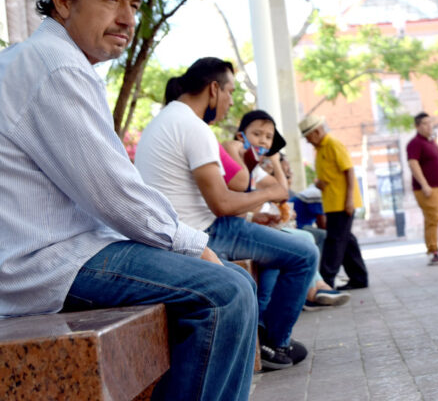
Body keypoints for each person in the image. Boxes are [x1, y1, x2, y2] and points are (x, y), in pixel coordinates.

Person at [0, 0, 258, 401]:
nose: (128, 18)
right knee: (226, 292)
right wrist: (193, 246)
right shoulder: (55, 66)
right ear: (63, 1)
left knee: (234, 283)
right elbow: (112, 191)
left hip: (58, 254)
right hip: (46, 263)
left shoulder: (42, 61)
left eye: (135, 3)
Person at [134, 58, 318, 371]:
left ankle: (267, 336)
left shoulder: (165, 120)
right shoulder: (193, 126)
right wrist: (271, 193)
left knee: (285, 247)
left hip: (186, 228)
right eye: (230, 92)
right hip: (205, 232)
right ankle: (275, 342)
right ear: (214, 89)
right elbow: (221, 203)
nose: (231, 102)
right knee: (305, 253)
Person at [223, 110, 349, 311]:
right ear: (241, 136)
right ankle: (309, 294)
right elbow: (234, 196)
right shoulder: (231, 159)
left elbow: (282, 192)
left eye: (269, 137)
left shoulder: (256, 168)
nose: (263, 141)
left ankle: (312, 292)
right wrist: (253, 213)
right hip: (232, 232)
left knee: (299, 244)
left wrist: (275, 161)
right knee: (300, 244)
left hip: (250, 228)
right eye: (257, 134)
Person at [299, 114, 369, 290]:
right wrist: (320, 183)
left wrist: (349, 201)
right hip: (331, 202)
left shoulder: (332, 144)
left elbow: (349, 171)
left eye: (308, 137)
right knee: (346, 241)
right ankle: (359, 278)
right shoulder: (321, 149)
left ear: (316, 132)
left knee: (335, 241)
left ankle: (327, 281)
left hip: (342, 203)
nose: (308, 141)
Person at [407, 112, 438, 266]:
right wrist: (424, 185)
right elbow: (413, 164)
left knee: (435, 219)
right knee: (432, 219)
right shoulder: (415, 143)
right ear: (417, 126)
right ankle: (434, 253)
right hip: (427, 189)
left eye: (430, 122)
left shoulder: (431, 142)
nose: (429, 126)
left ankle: (435, 251)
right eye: (425, 123)